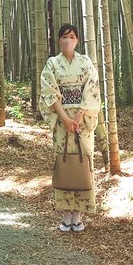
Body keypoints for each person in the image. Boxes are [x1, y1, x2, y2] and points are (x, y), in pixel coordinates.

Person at [39, 22, 101, 232]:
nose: (68, 40)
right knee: (64, 160)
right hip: (61, 117)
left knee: (83, 160)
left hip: (82, 119)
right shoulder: (52, 64)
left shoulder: (85, 63)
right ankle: (66, 215)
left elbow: (92, 88)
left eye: (72, 37)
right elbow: (49, 92)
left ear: (77, 40)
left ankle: (79, 214)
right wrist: (65, 118)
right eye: (64, 37)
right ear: (59, 40)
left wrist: (79, 114)